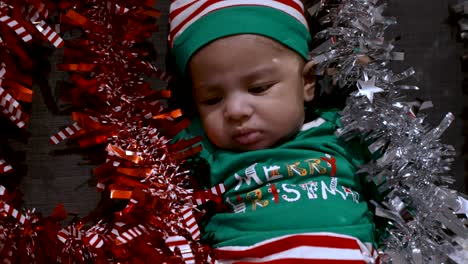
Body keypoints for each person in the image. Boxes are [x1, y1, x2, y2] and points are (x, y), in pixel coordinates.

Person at [169, 1, 379, 262]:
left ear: (307, 81)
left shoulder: (343, 131)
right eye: (212, 99)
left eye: (258, 88)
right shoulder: (203, 148)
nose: (235, 111)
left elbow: (398, 193)